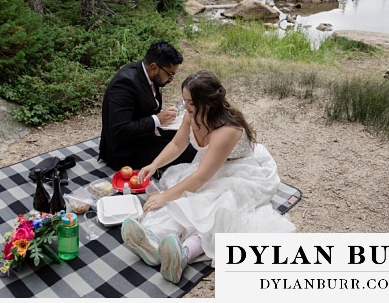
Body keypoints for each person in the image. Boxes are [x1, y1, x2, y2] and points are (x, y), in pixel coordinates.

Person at [120, 70, 294, 284]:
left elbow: (202, 177)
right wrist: (155, 164)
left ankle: (184, 253)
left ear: (208, 103)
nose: (186, 107)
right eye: (185, 100)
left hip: (243, 171)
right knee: (182, 196)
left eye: (190, 102)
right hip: (210, 165)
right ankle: (154, 245)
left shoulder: (227, 130)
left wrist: (165, 196)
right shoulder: (192, 116)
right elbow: (177, 144)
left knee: (215, 205)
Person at [98, 41, 197, 171]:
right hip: (125, 150)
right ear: (154, 67)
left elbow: (143, 107)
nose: (171, 79)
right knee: (190, 152)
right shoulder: (124, 84)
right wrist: (157, 119)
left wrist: (162, 116)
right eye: (170, 74)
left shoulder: (148, 74)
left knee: (189, 138)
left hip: (145, 135)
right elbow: (120, 130)